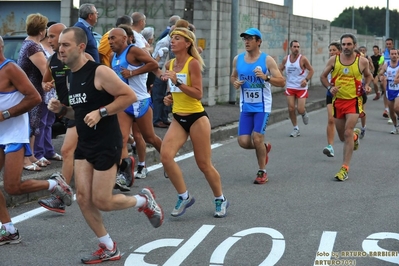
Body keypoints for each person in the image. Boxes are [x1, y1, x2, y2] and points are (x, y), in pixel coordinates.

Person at [50, 27, 163, 263]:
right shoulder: (71, 75)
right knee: (83, 198)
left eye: (66, 44)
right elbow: (80, 113)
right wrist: (62, 110)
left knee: (103, 201)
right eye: (59, 44)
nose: (60, 49)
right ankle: (109, 246)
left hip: (106, 142)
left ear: (81, 47)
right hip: (86, 143)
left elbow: (129, 96)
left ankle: (144, 200)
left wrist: (102, 112)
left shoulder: (99, 72)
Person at [0, 36, 73, 245]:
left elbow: (34, 97)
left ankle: (53, 184)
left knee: (12, 187)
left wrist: (5, 114)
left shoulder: (10, 69)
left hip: (14, 132)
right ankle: (9, 230)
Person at [161, 23, 229, 218]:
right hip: (178, 118)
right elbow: (175, 92)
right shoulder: (170, 65)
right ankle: (184, 196)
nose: (172, 41)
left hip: (197, 118)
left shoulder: (193, 63)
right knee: (166, 156)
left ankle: (220, 199)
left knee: (204, 164)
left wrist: (177, 82)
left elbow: (198, 94)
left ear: (187, 43)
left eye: (177, 38)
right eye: (172, 38)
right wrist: (170, 98)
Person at [39, 23, 94, 213]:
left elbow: (95, 79)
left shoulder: (83, 58)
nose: (50, 41)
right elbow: (46, 80)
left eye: (53, 37)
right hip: (68, 111)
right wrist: (47, 86)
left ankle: (61, 197)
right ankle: (122, 163)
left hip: (85, 110)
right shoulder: (52, 60)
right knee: (81, 151)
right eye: (50, 38)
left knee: (67, 149)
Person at [230, 28, 285, 184]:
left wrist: (266, 77)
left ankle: (262, 172)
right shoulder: (238, 59)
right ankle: (264, 147)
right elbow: (233, 75)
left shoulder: (267, 60)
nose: (246, 41)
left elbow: (281, 81)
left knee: (257, 137)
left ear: (259, 41)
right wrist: (234, 82)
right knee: (243, 142)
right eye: (245, 38)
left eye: (250, 38)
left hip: (262, 106)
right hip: (246, 106)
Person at [109, 28, 162, 183]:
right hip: (124, 103)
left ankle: (168, 159)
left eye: (113, 38)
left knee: (149, 137)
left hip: (141, 101)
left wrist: (133, 73)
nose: (110, 42)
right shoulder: (113, 56)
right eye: (109, 39)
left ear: (125, 38)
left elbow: (153, 64)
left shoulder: (133, 51)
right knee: (122, 139)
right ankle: (125, 174)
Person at [320, 33, 372, 181]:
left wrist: (367, 85)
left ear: (354, 45)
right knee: (343, 136)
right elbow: (323, 77)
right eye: (343, 45)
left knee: (347, 132)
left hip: (354, 101)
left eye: (349, 44)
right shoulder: (334, 60)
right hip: (338, 102)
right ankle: (355, 136)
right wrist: (330, 88)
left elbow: (368, 75)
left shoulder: (361, 62)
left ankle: (344, 168)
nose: (346, 47)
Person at [17, 13, 50, 171]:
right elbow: (46, 70)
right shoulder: (33, 47)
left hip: (30, 90)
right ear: (42, 31)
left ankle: (30, 157)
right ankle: (25, 160)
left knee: (33, 124)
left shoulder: (27, 44)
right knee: (30, 125)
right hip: (32, 91)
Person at [279, 40, 314, 137]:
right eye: (294, 47)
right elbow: (279, 69)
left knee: (300, 109)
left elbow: (311, 70)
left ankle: (303, 113)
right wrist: (281, 77)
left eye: (298, 47)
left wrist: (306, 80)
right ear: (290, 48)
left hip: (301, 87)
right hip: (290, 86)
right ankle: (296, 128)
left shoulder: (303, 59)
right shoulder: (286, 59)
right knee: (291, 108)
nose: (296, 49)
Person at [152, 26, 174, 128]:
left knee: (166, 95)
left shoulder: (170, 43)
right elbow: (154, 59)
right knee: (158, 96)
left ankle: (164, 118)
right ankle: (157, 119)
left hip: (167, 71)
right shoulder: (164, 43)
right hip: (160, 71)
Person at [322, 41, 342, 158]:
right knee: (331, 119)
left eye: (334, 50)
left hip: (344, 95)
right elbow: (323, 77)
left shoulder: (346, 62)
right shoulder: (330, 62)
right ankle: (330, 146)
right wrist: (330, 87)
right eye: (330, 50)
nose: (332, 52)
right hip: (331, 93)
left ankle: (353, 135)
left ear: (339, 51)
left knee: (343, 123)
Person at [379, 49, 399, 134]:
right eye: (392, 54)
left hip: (398, 89)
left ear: (398, 55)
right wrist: (381, 77)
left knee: (396, 108)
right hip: (390, 89)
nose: (394, 55)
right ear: (389, 55)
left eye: (395, 54)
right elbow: (381, 73)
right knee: (391, 111)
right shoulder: (386, 64)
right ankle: (395, 127)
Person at [381, 38, 394, 122]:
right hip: (386, 75)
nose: (388, 45)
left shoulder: (395, 52)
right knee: (386, 91)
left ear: (392, 44)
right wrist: (381, 74)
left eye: (390, 44)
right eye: (387, 44)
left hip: (395, 75)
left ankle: (393, 110)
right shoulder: (383, 53)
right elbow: (381, 63)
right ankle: (387, 109)